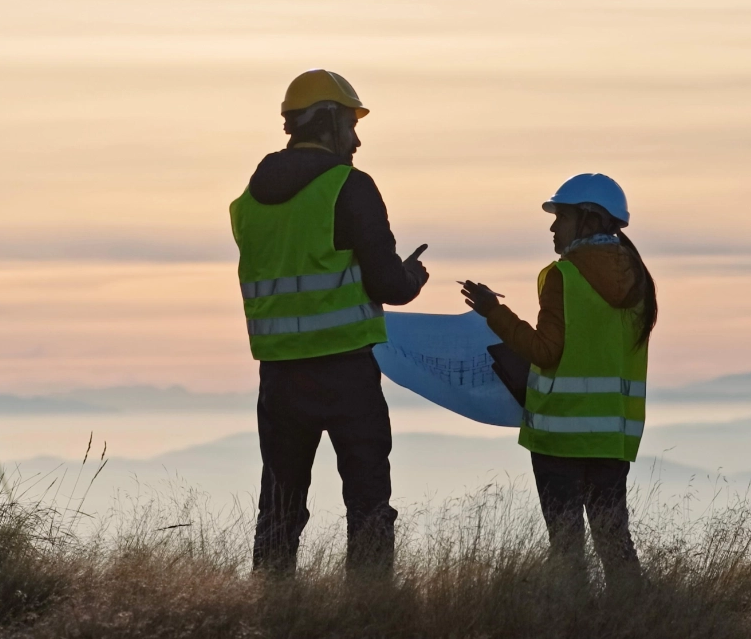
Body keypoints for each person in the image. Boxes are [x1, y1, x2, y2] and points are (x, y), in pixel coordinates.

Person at [230, 69, 430, 576]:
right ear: (327, 123)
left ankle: (269, 609)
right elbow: (390, 286)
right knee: (368, 505)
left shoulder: (248, 204)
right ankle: (368, 614)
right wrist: (412, 274)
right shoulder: (350, 187)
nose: (357, 139)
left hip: (279, 378)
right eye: (351, 122)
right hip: (345, 372)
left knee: (278, 508)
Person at [459, 173, 657, 585]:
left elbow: (546, 352)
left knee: (567, 551)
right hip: (612, 438)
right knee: (615, 543)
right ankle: (637, 618)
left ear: (587, 219)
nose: (553, 227)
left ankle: (570, 622)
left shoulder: (562, 277)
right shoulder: (639, 281)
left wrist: (493, 312)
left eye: (560, 216)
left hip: (560, 436)